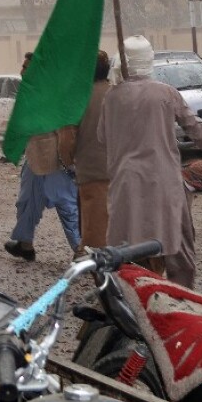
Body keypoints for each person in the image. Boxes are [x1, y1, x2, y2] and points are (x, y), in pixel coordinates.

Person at [99, 36, 202, 288]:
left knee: (128, 247)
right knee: (178, 246)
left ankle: (138, 296)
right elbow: (195, 129)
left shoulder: (111, 97)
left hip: (126, 183)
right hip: (165, 182)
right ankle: (182, 296)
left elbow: (102, 137)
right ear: (149, 60)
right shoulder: (166, 93)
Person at [4, 53, 80, 261]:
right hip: (35, 157)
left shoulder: (52, 93)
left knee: (66, 204)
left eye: (26, 67)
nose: (22, 71)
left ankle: (81, 249)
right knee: (27, 201)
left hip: (55, 159)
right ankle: (25, 244)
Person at [75, 50, 112, 253]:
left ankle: (96, 263)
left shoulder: (79, 97)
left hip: (90, 170)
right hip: (120, 168)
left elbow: (67, 137)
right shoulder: (117, 93)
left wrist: (67, 160)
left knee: (93, 229)